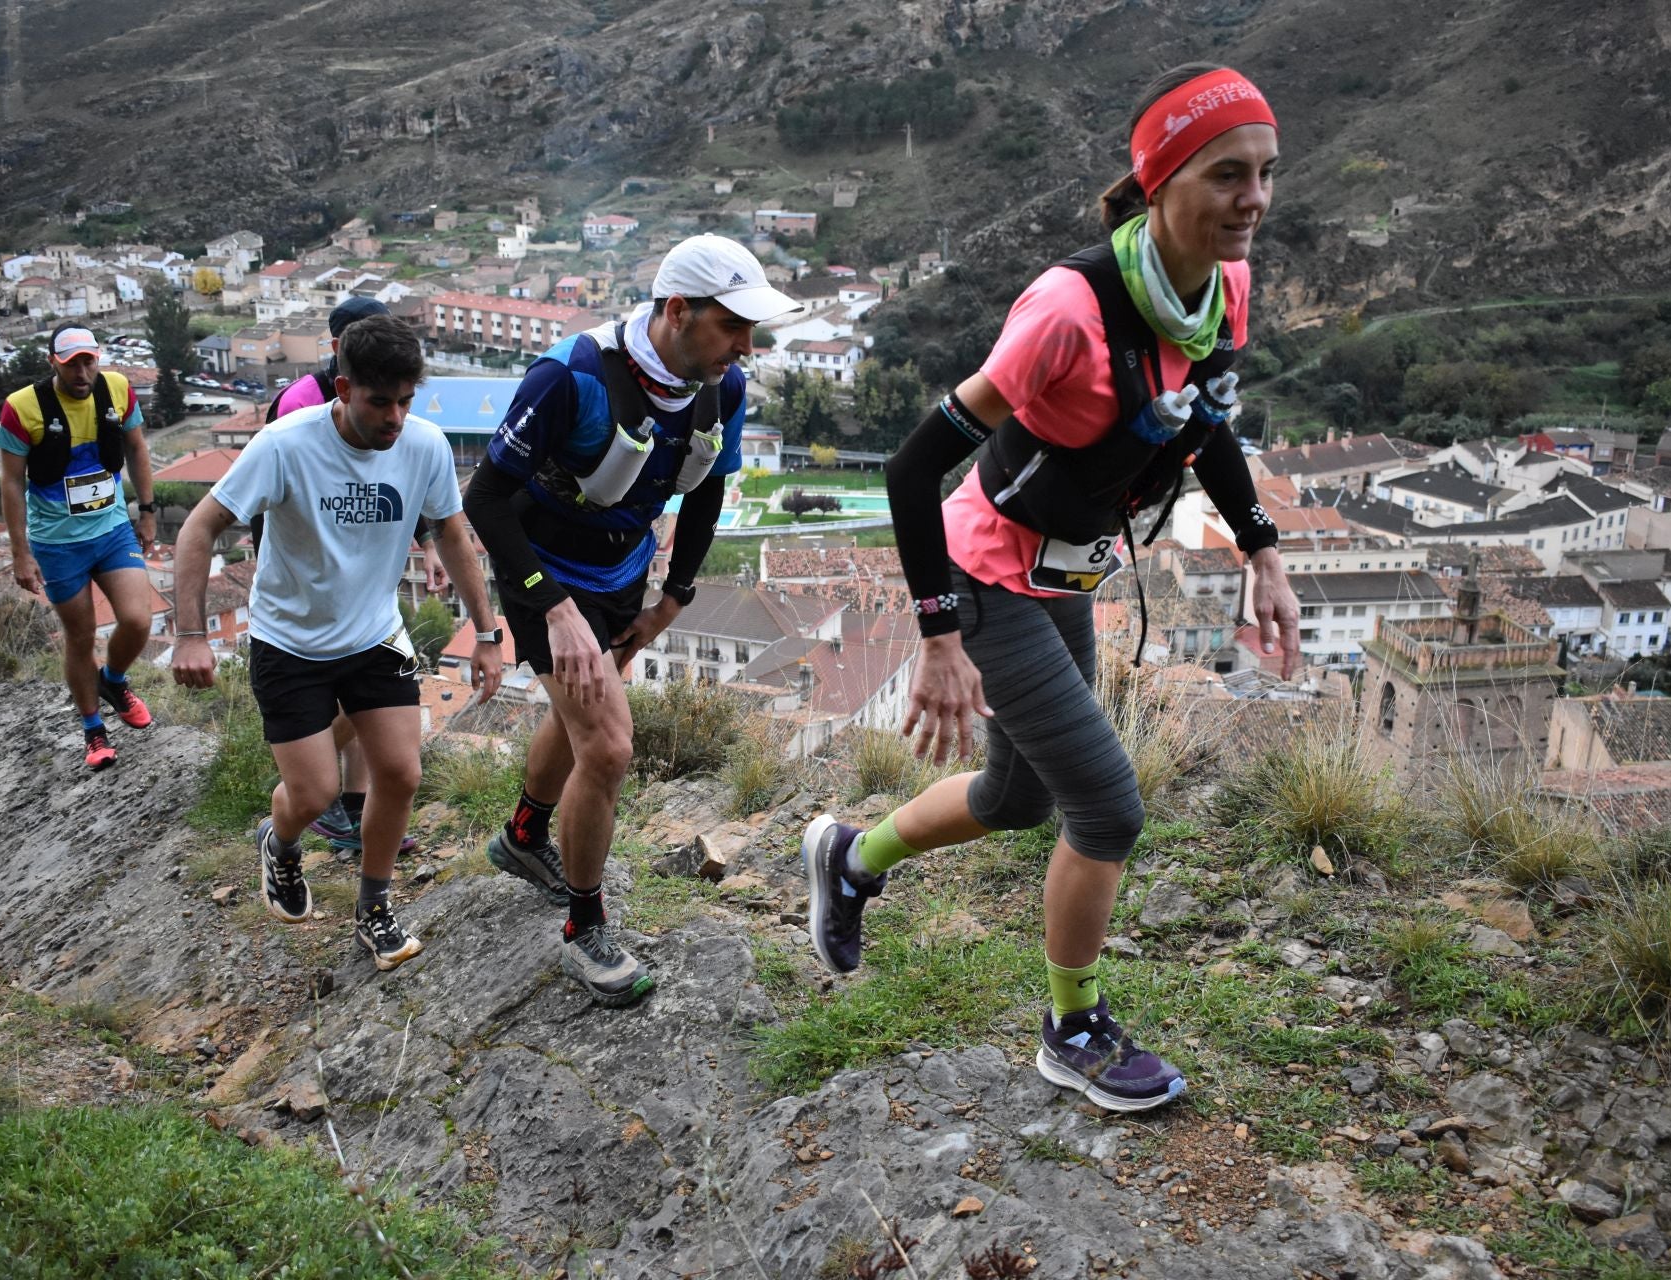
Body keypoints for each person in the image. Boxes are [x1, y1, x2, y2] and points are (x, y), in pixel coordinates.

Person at [801, 64, 1300, 1113]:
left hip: (1063, 571)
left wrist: (1263, 550)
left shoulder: (1225, 283)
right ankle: (1071, 1027)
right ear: (1160, 181)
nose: (1253, 200)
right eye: (1226, 176)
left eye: (1265, 174)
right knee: (1107, 807)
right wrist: (937, 634)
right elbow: (910, 467)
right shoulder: (1064, 315)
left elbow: (1206, 422)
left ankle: (851, 857)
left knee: (1015, 796)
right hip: (984, 579)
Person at [463, 234, 800, 1006]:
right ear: (677, 310)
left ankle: (522, 839)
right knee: (610, 746)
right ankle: (586, 929)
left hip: (622, 571)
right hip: (541, 566)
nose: (747, 346)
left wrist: (675, 596)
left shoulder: (722, 385)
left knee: (585, 718)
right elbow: (484, 499)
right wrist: (554, 609)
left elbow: (709, 486)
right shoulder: (571, 376)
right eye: (733, 326)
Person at [170, 314, 503, 972]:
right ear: (344, 388)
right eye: (381, 402)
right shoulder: (285, 445)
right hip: (288, 642)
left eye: (407, 401)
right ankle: (281, 838)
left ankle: (373, 908)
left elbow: (453, 534)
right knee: (316, 792)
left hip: (374, 634)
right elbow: (198, 530)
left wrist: (488, 632)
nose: (396, 419)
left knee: (403, 773)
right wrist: (188, 633)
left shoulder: (426, 447)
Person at [259, 295, 441, 858]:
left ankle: (359, 815)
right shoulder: (299, 405)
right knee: (336, 728)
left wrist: (426, 543)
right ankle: (317, 802)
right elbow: (283, 486)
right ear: (340, 353)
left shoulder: (406, 424)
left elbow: (403, 482)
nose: (394, 412)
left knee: (377, 716)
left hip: (371, 597)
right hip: (311, 584)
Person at [0, 326, 158, 771]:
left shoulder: (119, 390)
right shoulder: (22, 408)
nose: (82, 371)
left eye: (89, 360)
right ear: (54, 362)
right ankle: (93, 729)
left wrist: (147, 510)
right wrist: (20, 553)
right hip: (57, 542)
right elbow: (11, 482)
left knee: (137, 619)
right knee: (81, 636)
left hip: (110, 529)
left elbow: (138, 447)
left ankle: (114, 681)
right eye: (72, 363)